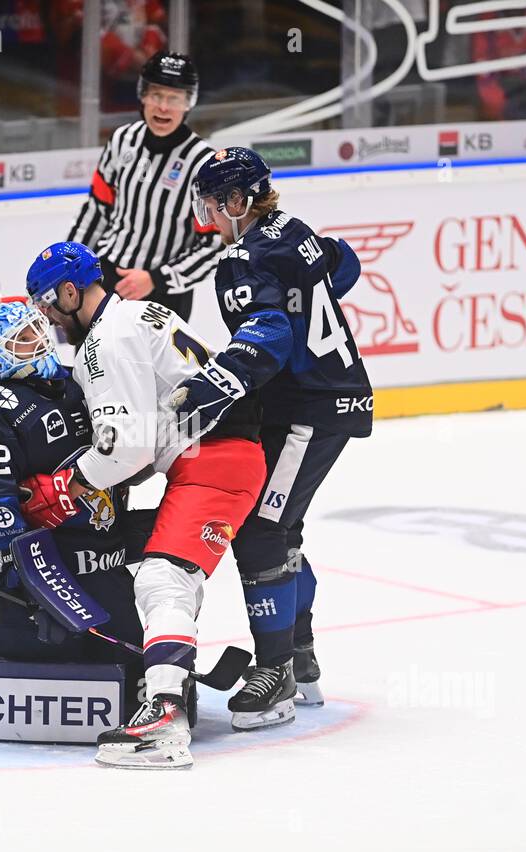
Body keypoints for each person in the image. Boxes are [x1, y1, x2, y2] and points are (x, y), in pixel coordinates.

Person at [21, 240, 266, 769]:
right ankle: (170, 684)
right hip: (219, 456)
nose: (46, 318)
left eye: (46, 303)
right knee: (171, 575)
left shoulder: (104, 343)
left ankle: (165, 717)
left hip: (215, 461)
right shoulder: (141, 313)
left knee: (163, 579)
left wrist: (67, 483)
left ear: (70, 291)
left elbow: (125, 448)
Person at [170, 146, 372, 731]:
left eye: (212, 203)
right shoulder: (293, 230)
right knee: (279, 530)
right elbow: (345, 265)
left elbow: (270, 329)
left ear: (237, 201)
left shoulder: (241, 256)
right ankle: (299, 657)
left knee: (259, 530)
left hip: (309, 405)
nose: (206, 214)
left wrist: (218, 380)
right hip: (326, 395)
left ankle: (277, 670)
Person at [0, 301, 146, 712]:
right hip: (45, 581)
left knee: (130, 687)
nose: (39, 340)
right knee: (31, 695)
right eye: (22, 339)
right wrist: (25, 588)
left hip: (102, 570)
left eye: (37, 330)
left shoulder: (80, 381)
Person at [67, 51, 221, 321]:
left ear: (189, 103)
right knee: (95, 362)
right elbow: (97, 210)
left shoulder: (203, 164)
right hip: (106, 280)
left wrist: (157, 280)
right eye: (156, 95)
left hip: (165, 296)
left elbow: (213, 244)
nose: (163, 107)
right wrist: (69, 263)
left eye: (174, 98)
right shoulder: (123, 140)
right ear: (143, 96)